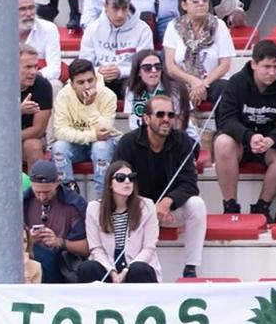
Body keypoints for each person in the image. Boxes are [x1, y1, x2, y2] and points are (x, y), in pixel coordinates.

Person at [115, 91, 206, 278]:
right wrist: (147, 208)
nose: (166, 119)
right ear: (146, 118)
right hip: (137, 212)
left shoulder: (182, 141)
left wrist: (168, 201)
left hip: (169, 212)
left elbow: (189, 184)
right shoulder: (128, 143)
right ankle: (126, 268)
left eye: (170, 115)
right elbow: (118, 182)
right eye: (160, 114)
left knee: (197, 204)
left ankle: (191, 268)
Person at [212, 40, 276, 217]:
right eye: (266, 66)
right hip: (240, 142)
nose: (272, 72)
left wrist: (272, 139)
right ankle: (230, 206)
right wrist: (248, 136)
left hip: (269, 145)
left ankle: (262, 207)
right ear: (253, 64)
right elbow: (226, 120)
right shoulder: (236, 83)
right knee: (222, 142)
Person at [76, 161, 161, 283]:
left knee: (139, 269)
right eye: (120, 178)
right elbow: (96, 248)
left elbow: (149, 248)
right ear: (110, 183)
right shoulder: (94, 208)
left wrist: (126, 270)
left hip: (136, 266)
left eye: (131, 178)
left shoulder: (147, 206)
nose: (127, 182)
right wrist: (111, 271)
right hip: (108, 267)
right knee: (87, 268)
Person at [163, 0, 236, 113]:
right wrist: (193, 81)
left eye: (205, 0)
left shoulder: (219, 25)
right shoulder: (173, 26)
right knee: (172, 91)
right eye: (195, 1)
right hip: (183, 81)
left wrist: (203, 84)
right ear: (184, 5)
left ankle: (222, 132)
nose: (201, 4)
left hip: (213, 81)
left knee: (224, 89)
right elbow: (170, 66)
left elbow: (225, 64)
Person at [52, 59, 119, 199]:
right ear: (72, 84)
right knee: (59, 148)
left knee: (100, 147)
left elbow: (105, 130)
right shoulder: (63, 96)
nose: (87, 86)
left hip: (105, 144)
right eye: (81, 82)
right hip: (79, 145)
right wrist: (93, 135)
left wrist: (89, 106)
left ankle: (102, 200)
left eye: (90, 80)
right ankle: (69, 197)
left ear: (95, 78)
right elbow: (60, 131)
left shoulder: (108, 95)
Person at [79, 0, 154, 99]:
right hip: (99, 79)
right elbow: (83, 65)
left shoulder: (143, 29)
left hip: (130, 79)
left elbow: (147, 66)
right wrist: (99, 71)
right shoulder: (92, 29)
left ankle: (136, 117)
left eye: (124, 8)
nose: (120, 14)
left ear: (129, 5)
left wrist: (121, 71)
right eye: (115, 8)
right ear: (105, 6)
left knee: (141, 85)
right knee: (76, 86)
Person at [21, 161, 92, 284]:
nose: (42, 197)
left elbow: (88, 247)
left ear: (57, 183)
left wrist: (59, 242)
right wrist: (29, 240)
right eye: (37, 192)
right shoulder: (24, 202)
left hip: (65, 264)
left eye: (47, 192)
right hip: (30, 262)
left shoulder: (75, 205)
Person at [125, 47, 190, 137]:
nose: (154, 71)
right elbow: (133, 123)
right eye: (147, 68)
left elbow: (179, 125)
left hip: (178, 139)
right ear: (138, 72)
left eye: (158, 66)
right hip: (145, 139)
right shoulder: (131, 90)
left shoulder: (175, 89)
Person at [18, 46, 54, 165]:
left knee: (32, 145)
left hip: (31, 138)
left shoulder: (42, 85)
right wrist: (18, 111)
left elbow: (38, 130)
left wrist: (8, 139)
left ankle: (38, 183)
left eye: (36, 67)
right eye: (28, 67)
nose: (34, 72)